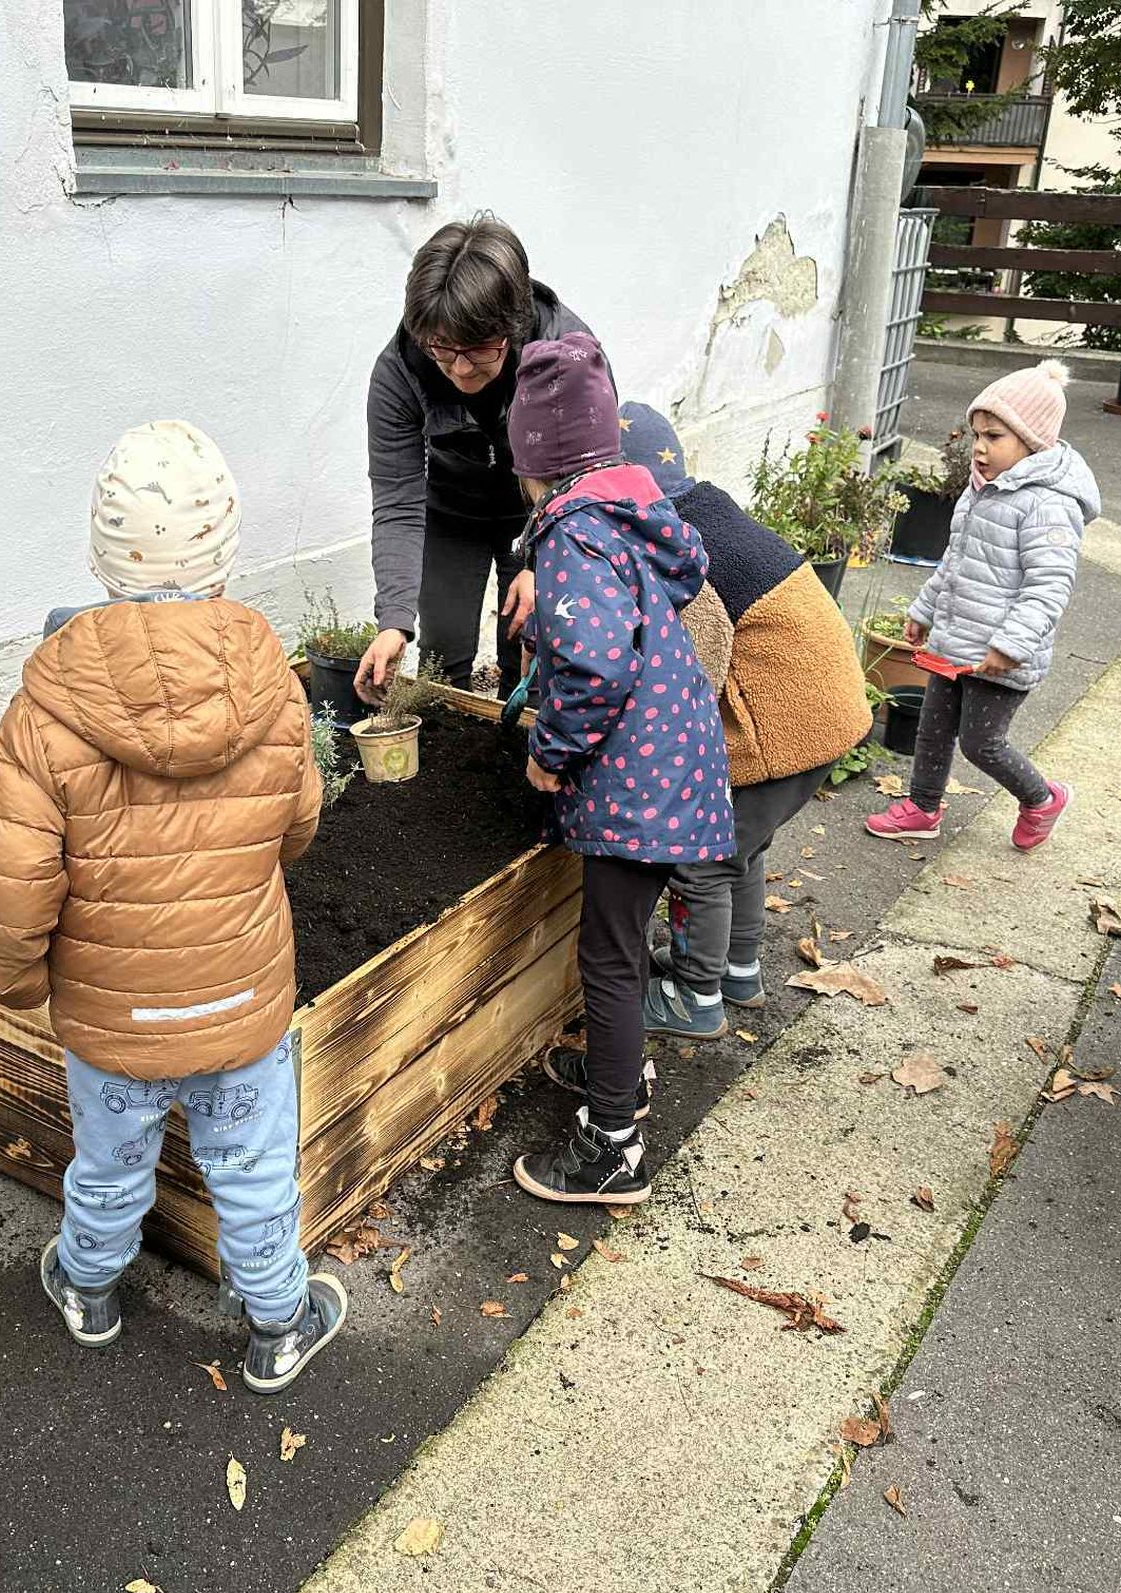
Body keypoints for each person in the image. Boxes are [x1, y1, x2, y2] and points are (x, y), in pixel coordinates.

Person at [0, 420, 344, 1395]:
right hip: (241, 1011)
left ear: (100, 555)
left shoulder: (48, 706)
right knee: (251, 1175)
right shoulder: (269, 685)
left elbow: (4, 886)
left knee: (111, 1167)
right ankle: (280, 1322)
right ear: (226, 551)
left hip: (112, 1020)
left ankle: (86, 1288)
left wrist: (11, 984)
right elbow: (297, 829)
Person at [502, 341, 735, 1204]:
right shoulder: (626, 520)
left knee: (607, 954)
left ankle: (611, 1146)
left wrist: (548, 754)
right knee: (624, 943)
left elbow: (596, 667)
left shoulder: (569, 537)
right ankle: (620, 1075)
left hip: (636, 787)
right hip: (675, 764)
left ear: (536, 462)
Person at [612, 405, 874, 1040]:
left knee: (698, 860)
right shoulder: (716, 516)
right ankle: (737, 969)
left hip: (780, 727)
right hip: (826, 718)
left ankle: (695, 997)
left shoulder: (682, 546)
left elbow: (696, 660)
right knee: (744, 848)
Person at [357, 214, 599, 695]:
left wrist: (543, 565)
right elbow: (398, 502)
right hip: (450, 511)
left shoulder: (568, 357)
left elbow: (591, 484)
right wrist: (393, 620)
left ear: (513, 326)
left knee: (532, 655)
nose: (462, 370)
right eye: (443, 351)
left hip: (543, 513)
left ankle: (525, 756)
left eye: (480, 350)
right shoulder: (399, 373)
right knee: (442, 659)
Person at [866, 361, 1093, 850]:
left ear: (1033, 442)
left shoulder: (1048, 504)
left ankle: (1042, 798)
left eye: (995, 436)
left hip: (1001, 653)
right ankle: (923, 808)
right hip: (958, 639)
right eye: (976, 435)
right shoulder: (981, 490)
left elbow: (1050, 584)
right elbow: (955, 561)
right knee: (932, 727)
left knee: (981, 743)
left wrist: (1012, 644)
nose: (980, 448)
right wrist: (925, 610)